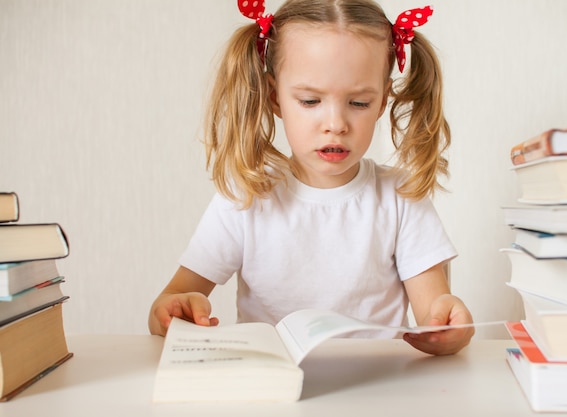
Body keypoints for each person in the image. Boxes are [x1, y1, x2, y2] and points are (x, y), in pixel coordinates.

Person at [149, 0, 474, 355]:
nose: (335, 124)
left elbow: (434, 312)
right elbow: (167, 305)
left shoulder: (401, 197)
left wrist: (447, 326)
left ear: (382, 103)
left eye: (359, 103)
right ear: (275, 98)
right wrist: (175, 310)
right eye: (309, 101)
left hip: (377, 391)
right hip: (274, 392)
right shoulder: (245, 197)